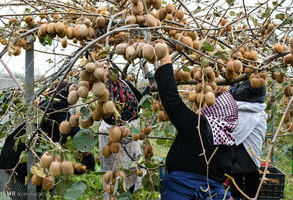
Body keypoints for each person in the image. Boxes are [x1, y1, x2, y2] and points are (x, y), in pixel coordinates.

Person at [154, 48, 239, 200]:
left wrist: (165, 58)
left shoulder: (197, 126)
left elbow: (171, 99)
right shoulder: (229, 140)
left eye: (206, 102)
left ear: (215, 108)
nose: (200, 105)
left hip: (180, 192)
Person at [0, 81, 95, 200]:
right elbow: (78, 136)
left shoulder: (45, 104)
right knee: (18, 195)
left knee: (6, 195)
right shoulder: (59, 109)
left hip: (11, 153)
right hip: (19, 161)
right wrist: (89, 157)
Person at [98, 61, 152, 199]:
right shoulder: (102, 89)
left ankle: (128, 195)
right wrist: (100, 74)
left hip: (130, 133)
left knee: (132, 171)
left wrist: (150, 86)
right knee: (113, 176)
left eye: (108, 65)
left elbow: (140, 100)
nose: (106, 67)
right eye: (102, 66)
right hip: (110, 136)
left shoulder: (125, 84)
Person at [229, 80, 267, 199]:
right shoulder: (244, 82)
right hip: (241, 116)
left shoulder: (252, 81)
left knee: (239, 171)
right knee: (246, 171)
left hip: (244, 118)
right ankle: (247, 197)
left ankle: (242, 196)